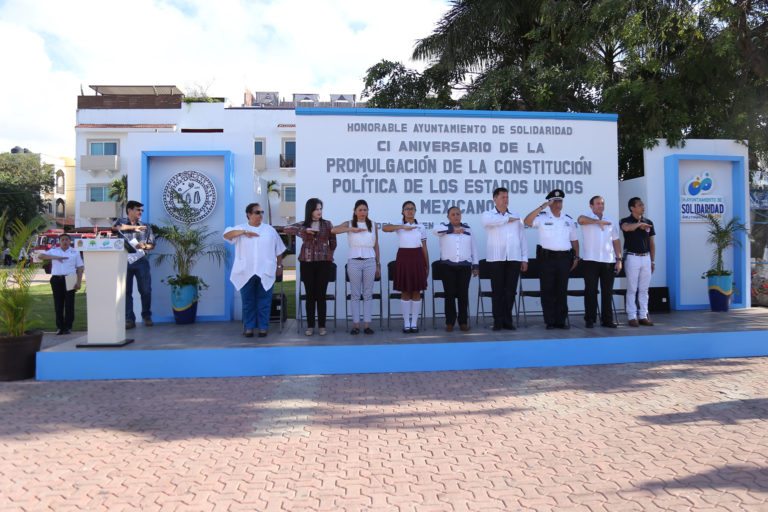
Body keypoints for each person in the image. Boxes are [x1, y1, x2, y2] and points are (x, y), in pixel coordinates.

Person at [223, 203, 286, 338]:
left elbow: (279, 249)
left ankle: (263, 327)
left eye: (262, 212)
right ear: (248, 214)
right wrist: (244, 232)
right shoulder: (240, 228)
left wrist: (279, 266)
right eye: (257, 212)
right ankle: (249, 327)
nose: (260, 215)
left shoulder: (269, 230)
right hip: (246, 271)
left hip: (265, 271)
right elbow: (227, 235)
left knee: (264, 301)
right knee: (248, 301)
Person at [524, 189, 580, 330]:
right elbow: (527, 221)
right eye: (555, 201)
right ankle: (549, 321)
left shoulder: (568, 219)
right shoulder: (542, 217)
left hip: (564, 259)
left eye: (560, 200)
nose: (558, 203)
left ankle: (561, 321)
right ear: (550, 202)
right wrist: (542, 206)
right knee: (547, 290)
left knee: (561, 290)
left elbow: (574, 240)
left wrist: (576, 257)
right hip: (546, 259)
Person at [284, 198, 337, 336]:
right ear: (310, 210)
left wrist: (329, 253)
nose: (319, 211)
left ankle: (322, 326)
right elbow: (287, 229)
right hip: (306, 263)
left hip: (324, 263)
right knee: (310, 295)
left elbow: (333, 242)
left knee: (321, 294)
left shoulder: (327, 224)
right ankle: (310, 326)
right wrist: (304, 230)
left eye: (320, 208)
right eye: (316, 209)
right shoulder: (303, 224)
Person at [481, 188, 528, 331]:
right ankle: (498, 321)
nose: (506, 200)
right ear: (494, 199)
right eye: (503, 197)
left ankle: (507, 320)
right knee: (498, 291)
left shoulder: (516, 216)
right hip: (496, 258)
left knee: (510, 291)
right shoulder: (488, 214)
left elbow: (522, 238)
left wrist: (524, 258)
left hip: (513, 257)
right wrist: (507, 219)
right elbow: (488, 222)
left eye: (507, 197)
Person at [332, 199, 381, 335]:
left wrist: (378, 264)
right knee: (355, 294)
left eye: (365, 210)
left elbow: (376, 245)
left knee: (367, 293)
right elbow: (333, 230)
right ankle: (355, 325)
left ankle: (366, 325)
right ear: (355, 211)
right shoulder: (349, 223)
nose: (362, 212)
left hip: (370, 261)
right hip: (354, 261)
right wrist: (350, 229)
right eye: (360, 210)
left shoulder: (373, 224)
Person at [382, 200, 429, 333]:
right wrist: (402, 227)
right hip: (404, 257)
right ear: (403, 211)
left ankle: (414, 323)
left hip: (417, 257)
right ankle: (406, 323)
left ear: (415, 211)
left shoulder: (421, 226)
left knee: (416, 291)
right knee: (405, 291)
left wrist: (426, 264)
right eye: (407, 208)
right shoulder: (399, 224)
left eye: (412, 208)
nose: (410, 210)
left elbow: (424, 247)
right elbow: (385, 228)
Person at [578, 196, 622, 328]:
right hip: (590, 260)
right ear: (591, 206)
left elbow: (616, 241)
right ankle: (590, 319)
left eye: (602, 203)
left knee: (607, 291)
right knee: (590, 291)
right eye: (597, 203)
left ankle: (607, 320)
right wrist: (597, 222)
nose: (600, 206)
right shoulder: (586, 216)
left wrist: (619, 259)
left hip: (608, 260)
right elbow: (580, 220)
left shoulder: (610, 220)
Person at [435, 206, 479, 332]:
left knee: (463, 295)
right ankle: (449, 322)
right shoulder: (443, 228)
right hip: (447, 267)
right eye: (453, 214)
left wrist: (475, 266)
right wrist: (452, 230)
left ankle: (463, 322)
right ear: (448, 217)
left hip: (464, 266)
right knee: (449, 295)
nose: (456, 216)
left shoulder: (468, 229)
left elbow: (474, 248)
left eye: (458, 214)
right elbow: (435, 231)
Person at [114, 200, 154, 329]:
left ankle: (146, 315)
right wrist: (134, 228)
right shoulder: (120, 222)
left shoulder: (146, 226)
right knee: (126, 292)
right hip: (124, 261)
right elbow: (115, 228)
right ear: (129, 210)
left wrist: (145, 245)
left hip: (141, 261)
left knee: (146, 290)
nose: (140, 212)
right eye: (138, 210)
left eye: (142, 210)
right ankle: (129, 319)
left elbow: (152, 244)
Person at [620, 197, 656, 327]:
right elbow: (626, 228)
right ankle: (632, 316)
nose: (643, 207)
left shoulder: (649, 222)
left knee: (644, 289)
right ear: (632, 208)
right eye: (640, 205)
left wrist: (653, 261)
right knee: (632, 288)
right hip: (632, 257)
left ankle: (643, 315)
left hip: (646, 258)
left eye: (643, 204)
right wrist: (639, 225)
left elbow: (651, 243)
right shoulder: (625, 221)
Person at [38, 234, 84, 335]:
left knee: (69, 304)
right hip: (56, 279)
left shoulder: (74, 252)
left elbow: (80, 268)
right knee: (58, 304)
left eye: (67, 240)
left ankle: (68, 327)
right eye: (62, 240)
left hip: (70, 278)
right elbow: (40, 256)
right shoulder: (54, 250)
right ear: (59, 241)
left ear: (70, 241)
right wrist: (55, 257)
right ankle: (60, 327)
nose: (65, 241)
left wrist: (79, 282)